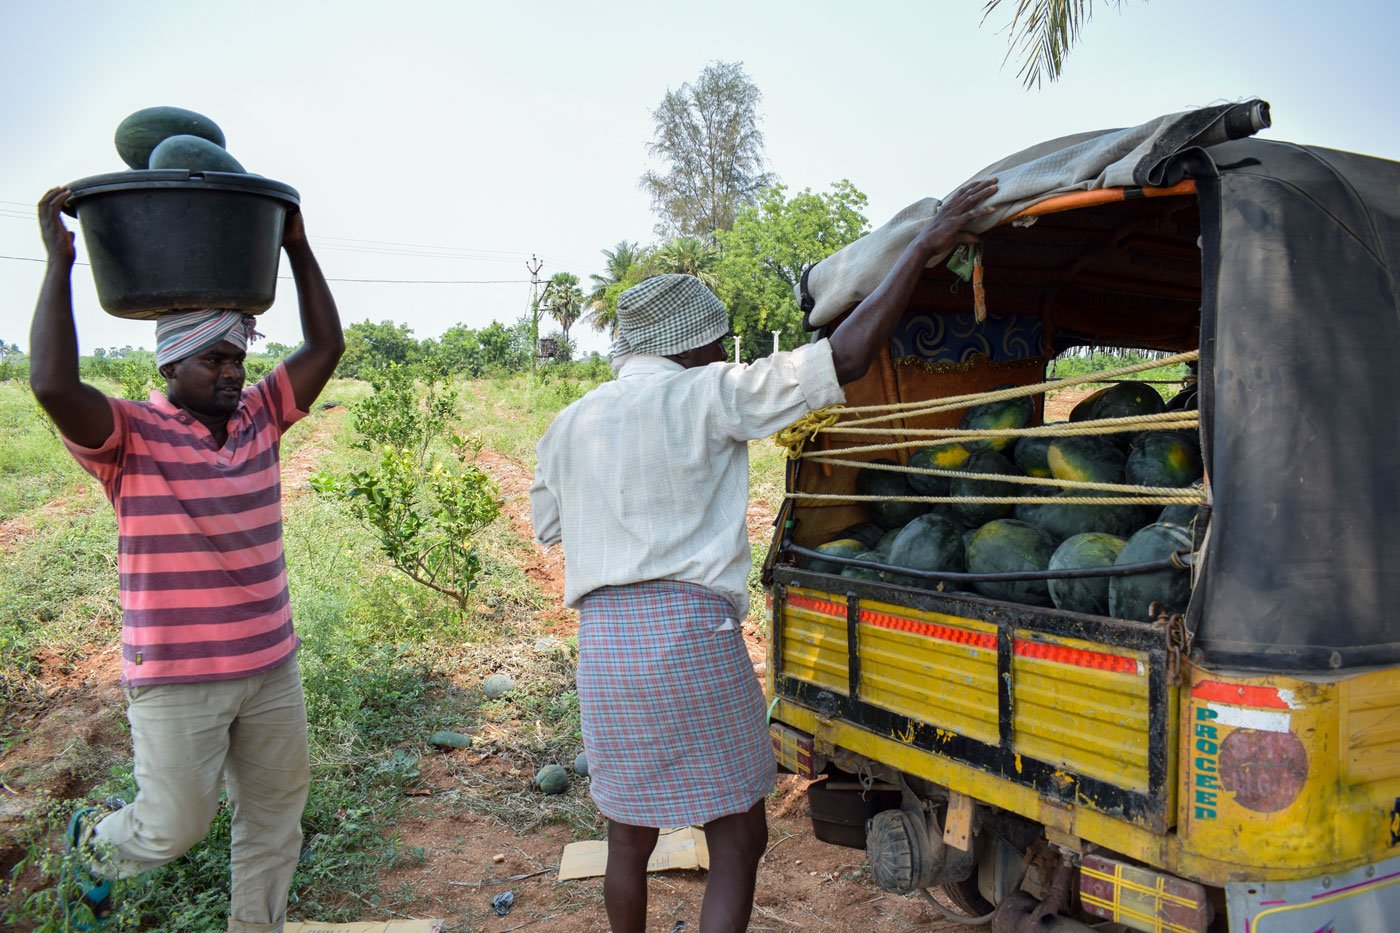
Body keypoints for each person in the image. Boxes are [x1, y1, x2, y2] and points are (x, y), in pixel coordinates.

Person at [530, 178, 997, 933]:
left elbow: (548, 528)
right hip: (689, 637)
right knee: (739, 833)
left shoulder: (569, 423)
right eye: (714, 338)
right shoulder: (708, 392)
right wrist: (921, 247)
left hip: (606, 645)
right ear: (687, 342)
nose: (720, 349)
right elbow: (841, 357)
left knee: (627, 835)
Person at [29, 186, 344, 931]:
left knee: (274, 824)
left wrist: (296, 245)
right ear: (172, 364)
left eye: (238, 357)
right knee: (174, 826)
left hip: (271, 665)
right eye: (214, 359)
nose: (234, 372)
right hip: (177, 676)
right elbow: (51, 383)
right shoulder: (129, 436)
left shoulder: (261, 418)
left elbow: (326, 346)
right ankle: (96, 845)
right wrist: (60, 263)